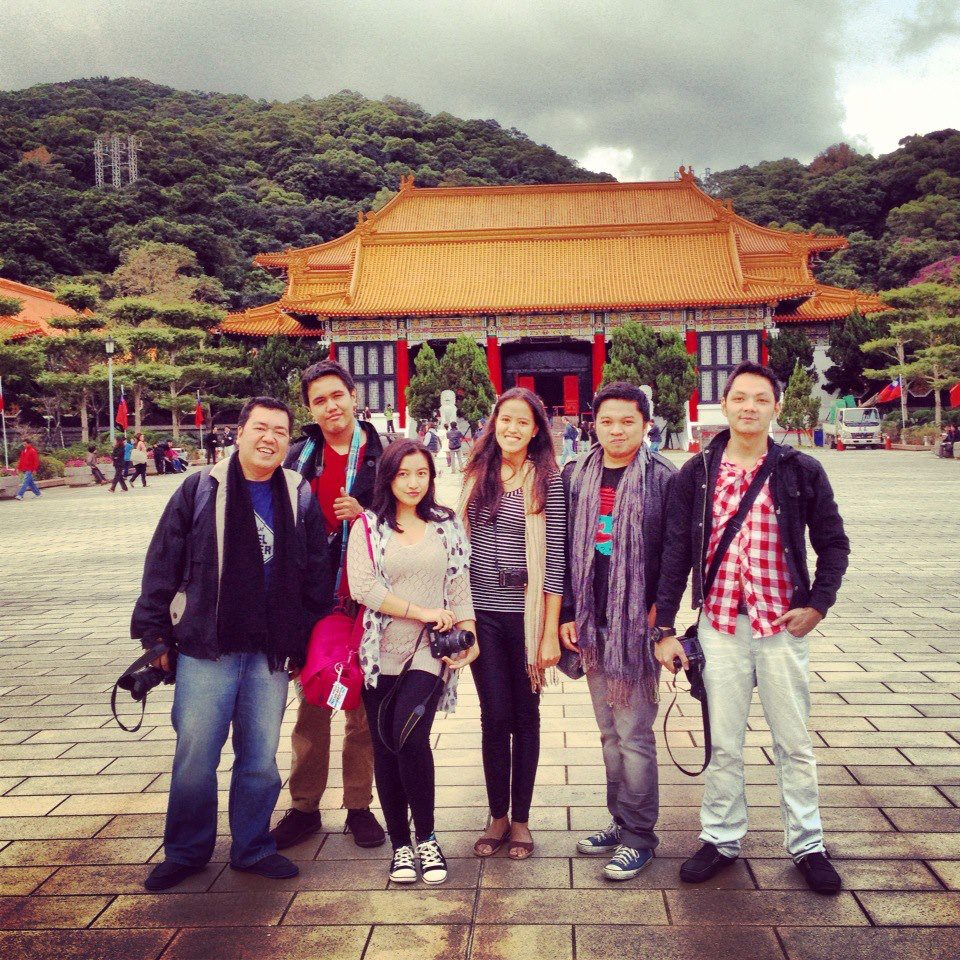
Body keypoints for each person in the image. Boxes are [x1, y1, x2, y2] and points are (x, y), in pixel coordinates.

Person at [653, 360, 851, 895]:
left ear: (775, 406)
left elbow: (833, 542)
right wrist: (664, 628)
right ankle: (720, 837)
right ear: (724, 403)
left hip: (781, 625)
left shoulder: (800, 470)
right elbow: (674, 553)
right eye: (739, 397)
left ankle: (807, 842)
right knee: (724, 742)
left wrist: (818, 604)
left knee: (793, 740)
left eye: (759, 399)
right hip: (719, 623)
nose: (748, 407)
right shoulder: (696, 473)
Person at [131, 397, 334, 891]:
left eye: (281, 432)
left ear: (290, 441)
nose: (270, 439)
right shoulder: (201, 487)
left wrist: (305, 634)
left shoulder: (297, 492)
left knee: (260, 758)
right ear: (239, 434)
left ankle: (252, 846)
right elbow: (163, 560)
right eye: (260, 429)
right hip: (207, 647)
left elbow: (316, 572)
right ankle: (185, 850)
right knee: (196, 756)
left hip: (270, 652)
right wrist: (155, 632)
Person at [559, 382, 676, 881]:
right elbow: (564, 549)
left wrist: (662, 615)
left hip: (635, 627)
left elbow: (674, 556)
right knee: (609, 734)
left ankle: (640, 835)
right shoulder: (577, 474)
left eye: (628, 420)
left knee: (634, 734)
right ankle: (620, 819)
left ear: (646, 425)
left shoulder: (664, 480)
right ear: (593, 422)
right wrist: (566, 610)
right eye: (607, 420)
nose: (616, 429)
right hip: (593, 621)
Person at [348, 439, 478, 883]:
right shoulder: (368, 526)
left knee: (408, 734)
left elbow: (459, 582)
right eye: (403, 473)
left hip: (429, 649)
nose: (413, 482)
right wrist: (420, 611)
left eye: (421, 473)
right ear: (387, 477)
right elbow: (363, 588)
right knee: (386, 745)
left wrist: (468, 632)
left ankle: (427, 837)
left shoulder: (445, 524)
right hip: (378, 650)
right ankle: (401, 845)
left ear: (431, 476)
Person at [270, 360, 387, 851]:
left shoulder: (384, 455)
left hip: (367, 602)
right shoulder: (298, 458)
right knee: (313, 705)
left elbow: (414, 513)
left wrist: (367, 516)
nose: (330, 406)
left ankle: (359, 805)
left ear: (354, 396)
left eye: (337, 395)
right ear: (308, 407)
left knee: (361, 710)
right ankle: (304, 808)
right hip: (314, 603)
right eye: (319, 400)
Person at [460, 388, 566, 861]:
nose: (513, 429)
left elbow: (557, 559)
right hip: (481, 614)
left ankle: (520, 819)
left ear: (537, 429)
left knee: (525, 717)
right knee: (493, 715)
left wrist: (548, 632)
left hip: (525, 617)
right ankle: (496, 815)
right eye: (506, 419)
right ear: (494, 423)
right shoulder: (474, 473)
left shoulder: (548, 479)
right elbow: (455, 543)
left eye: (523, 422)